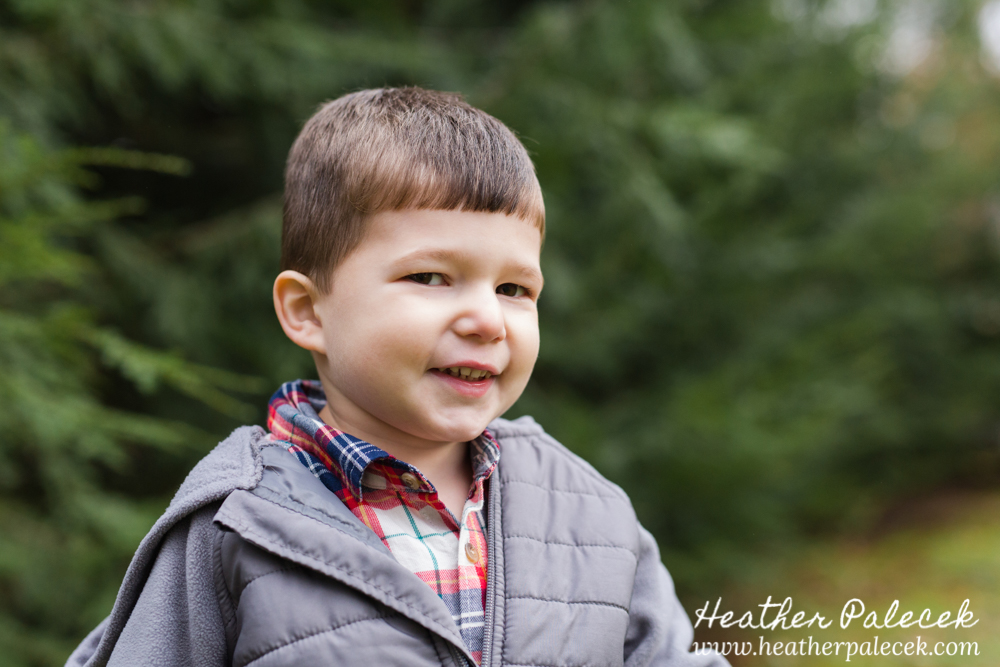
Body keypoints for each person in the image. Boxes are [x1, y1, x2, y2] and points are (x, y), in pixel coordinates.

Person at [66, 87, 728, 667]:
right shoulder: (233, 525)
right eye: (431, 277)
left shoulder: (587, 511)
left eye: (514, 288)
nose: (486, 319)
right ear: (308, 311)